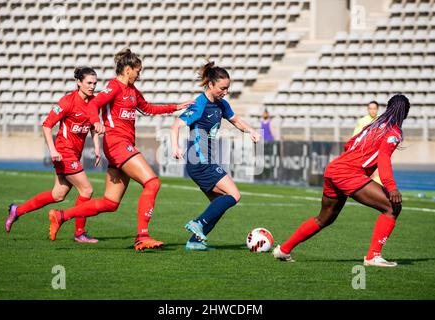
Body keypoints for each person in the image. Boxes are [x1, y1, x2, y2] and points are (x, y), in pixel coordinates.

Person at [47, 48, 192, 250]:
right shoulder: (113, 87)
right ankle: (142, 235)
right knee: (152, 183)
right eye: (137, 70)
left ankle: (61, 216)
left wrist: (176, 107)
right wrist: (95, 121)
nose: (139, 74)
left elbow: (148, 108)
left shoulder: (132, 91)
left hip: (123, 146)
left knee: (110, 202)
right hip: (117, 144)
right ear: (127, 69)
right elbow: (93, 105)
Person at [273, 94, 410, 267]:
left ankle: (283, 250)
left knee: (324, 219)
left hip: (334, 169)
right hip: (348, 173)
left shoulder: (372, 125)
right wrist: (391, 187)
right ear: (406, 113)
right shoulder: (394, 131)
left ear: (387, 108)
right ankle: (373, 256)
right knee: (392, 206)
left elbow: (349, 144)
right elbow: (383, 158)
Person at [170, 61, 261, 250]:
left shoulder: (221, 104)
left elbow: (236, 120)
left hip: (205, 161)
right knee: (234, 195)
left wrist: (251, 130)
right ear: (210, 85)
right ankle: (198, 222)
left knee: (219, 203)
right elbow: (176, 125)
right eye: (222, 88)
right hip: (200, 161)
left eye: (227, 88)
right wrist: (175, 147)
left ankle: (195, 242)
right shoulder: (200, 104)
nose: (225, 92)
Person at [5, 67, 101, 243]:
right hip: (64, 152)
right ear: (78, 82)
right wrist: (53, 149)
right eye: (89, 83)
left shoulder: (95, 103)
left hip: (74, 153)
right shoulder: (67, 101)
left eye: (95, 83)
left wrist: (96, 147)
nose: (92, 86)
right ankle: (79, 233)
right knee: (87, 190)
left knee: (58, 195)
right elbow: (47, 125)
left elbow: (94, 127)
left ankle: (16, 211)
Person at [353, 101, 382, 185]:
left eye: (374, 109)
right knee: (368, 175)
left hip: (377, 153)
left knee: (378, 173)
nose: (372, 111)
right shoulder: (362, 121)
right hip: (365, 153)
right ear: (367, 109)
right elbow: (356, 137)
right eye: (370, 109)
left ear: (377, 109)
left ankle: (380, 191)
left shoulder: (381, 120)